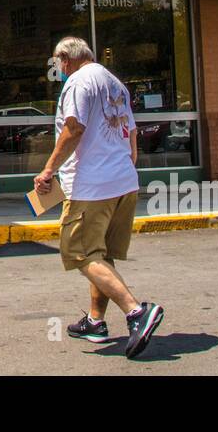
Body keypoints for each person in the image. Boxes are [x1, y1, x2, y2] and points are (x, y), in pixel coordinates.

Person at [34, 36, 164, 358]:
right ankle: (95, 321)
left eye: (57, 63)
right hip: (123, 183)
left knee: (78, 252)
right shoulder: (115, 83)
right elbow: (132, 136)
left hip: (91, 187)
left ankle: (136, 312)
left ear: (66, 59)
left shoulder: (79, 82)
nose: (58, 70)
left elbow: (73, 129)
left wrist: (48, 171)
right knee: (101, 255)